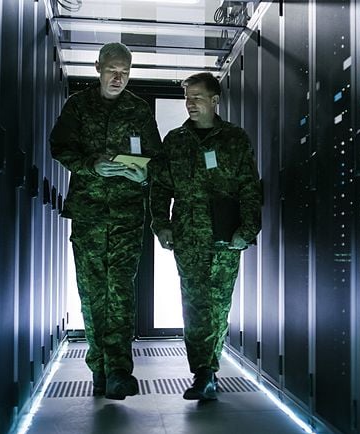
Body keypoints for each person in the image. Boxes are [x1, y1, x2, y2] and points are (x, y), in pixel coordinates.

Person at [50, 42, 162, 400]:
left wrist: (142, 176)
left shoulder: (139, 111)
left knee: (121, 292)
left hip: (129, 214)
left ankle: (118, 371)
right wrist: (90, 165)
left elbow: (155, 159)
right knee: (93, 292)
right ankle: (98, 366)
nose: (118, 77)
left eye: (125, 72)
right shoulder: (78, 106)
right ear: (98, 66)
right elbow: (60, 147)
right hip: (89, 214)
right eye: (113, 69)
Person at [149, 72, 262, 401]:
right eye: (187, 97)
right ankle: (204, 373)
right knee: (195, 304)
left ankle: (208, 369)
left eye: (197, 97)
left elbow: (249, 188)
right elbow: (160, 188)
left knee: (218, 305)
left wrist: (248, 229)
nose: (190, 103)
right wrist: (161, 225)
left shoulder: (235, 139)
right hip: (188, 234)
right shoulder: (175, 141)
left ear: (215, 101)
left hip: (227, 235)